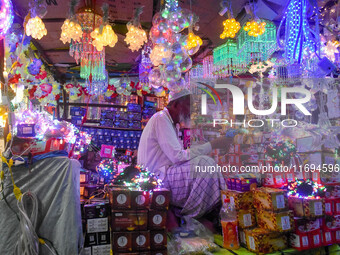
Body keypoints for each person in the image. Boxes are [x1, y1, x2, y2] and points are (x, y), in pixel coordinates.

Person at [138, 89, 232, 218]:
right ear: (176, 104)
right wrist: (212, 145)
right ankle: (194, 214)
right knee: (204, 164)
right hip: (157, 179)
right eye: (188, 105)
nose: (191, 111)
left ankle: (218, 206)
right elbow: (178, 157)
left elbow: (180, 156)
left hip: (163, 175)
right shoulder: (161, 119)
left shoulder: (172, 123)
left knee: (205, 163)